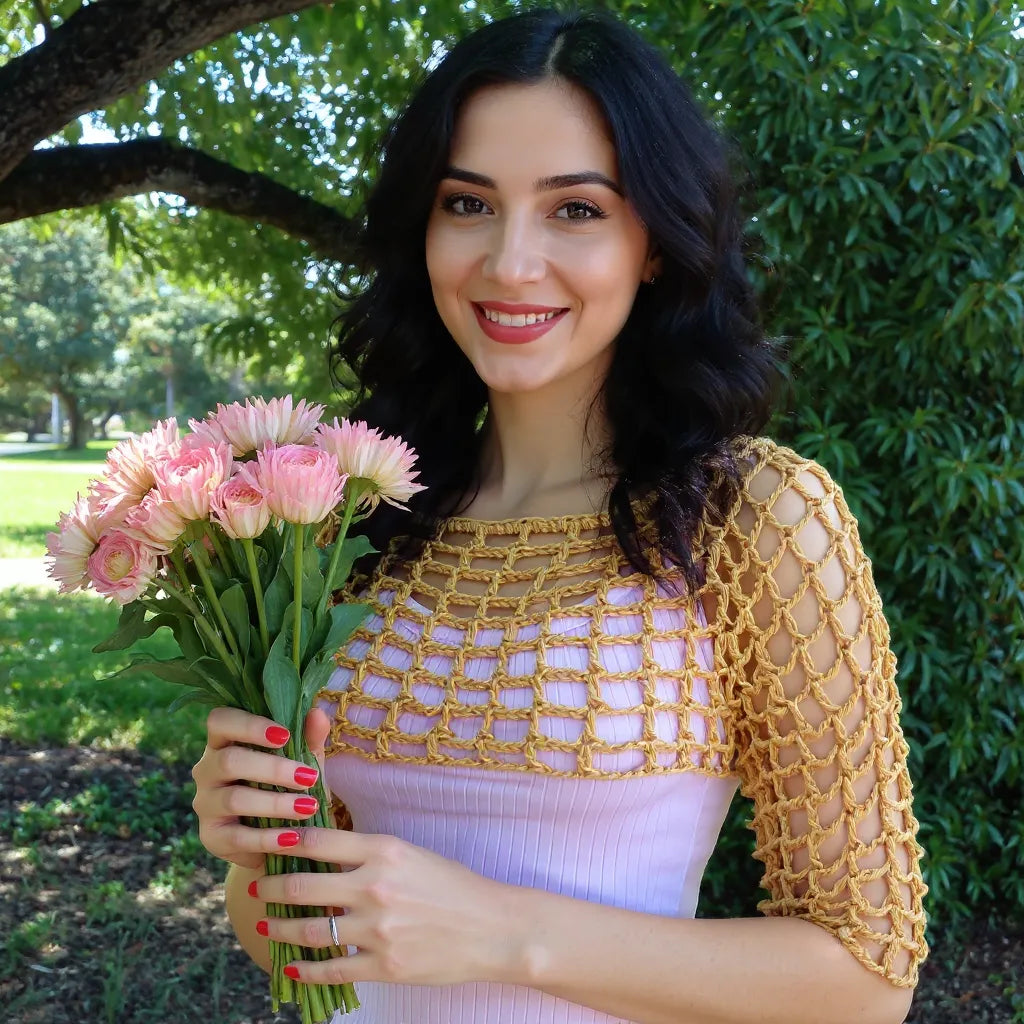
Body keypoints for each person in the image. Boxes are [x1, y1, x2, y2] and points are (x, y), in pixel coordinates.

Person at [190, 8, 929, 1023]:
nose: (509, 261)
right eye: (468, 203)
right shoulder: (347, 521)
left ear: (656, 241)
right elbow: (296, 931)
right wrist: (250, 844)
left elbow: (865, 977)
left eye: (574, 209)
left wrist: (502, 932)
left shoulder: (751, 518)